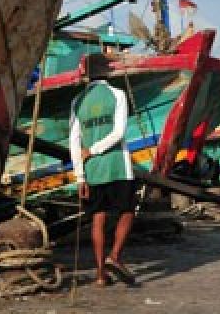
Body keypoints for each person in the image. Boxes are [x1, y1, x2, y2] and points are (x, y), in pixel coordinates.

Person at [69, 52, 137, 287]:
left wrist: (79, 176)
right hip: (118, 166)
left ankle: (100, 275)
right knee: (127, 211)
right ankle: (115, 256)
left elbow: (74, 141)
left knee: (98, 218)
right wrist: (95, 149)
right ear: (107, 72)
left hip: (91, 171)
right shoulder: (117, 95)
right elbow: (119, 133)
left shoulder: (77, 101)